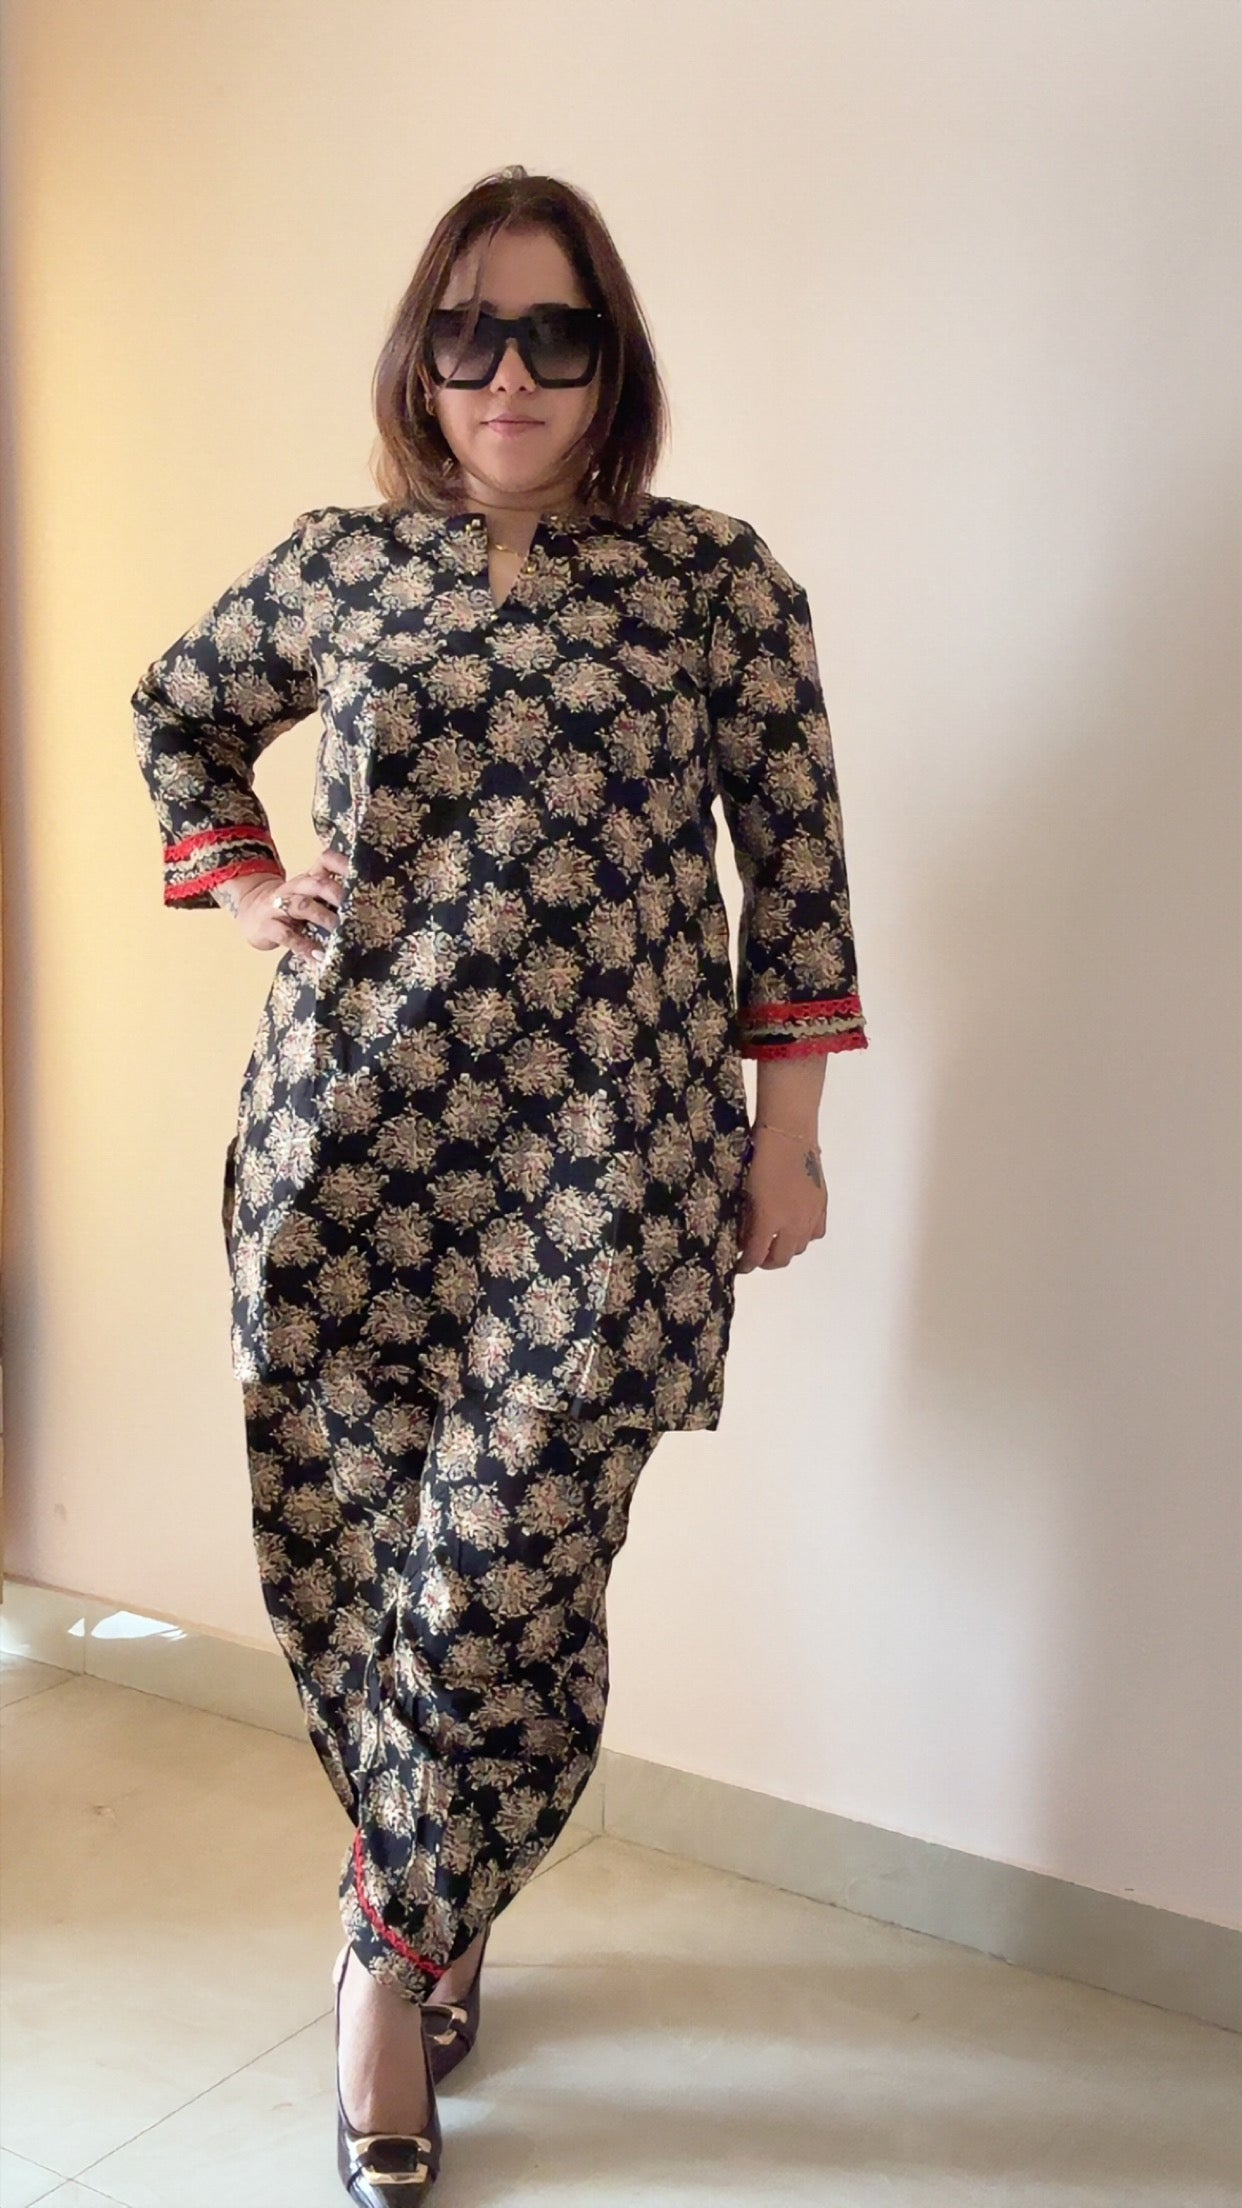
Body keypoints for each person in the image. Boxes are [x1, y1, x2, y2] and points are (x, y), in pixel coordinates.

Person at [131, 164, 869, 2203]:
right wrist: (250, 884)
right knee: (351, 1571)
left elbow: (796, 869)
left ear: (610, 359)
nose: (510, 372)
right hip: (349, 1149)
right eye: (470, 331)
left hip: (608, 1173)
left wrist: (784, 1144)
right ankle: (429, 1903)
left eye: (556, 331)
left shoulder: (711, 582)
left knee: (507, 1584)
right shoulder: (339, 566)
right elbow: (182, 712)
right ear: (420, 356)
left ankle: (383, 1963)